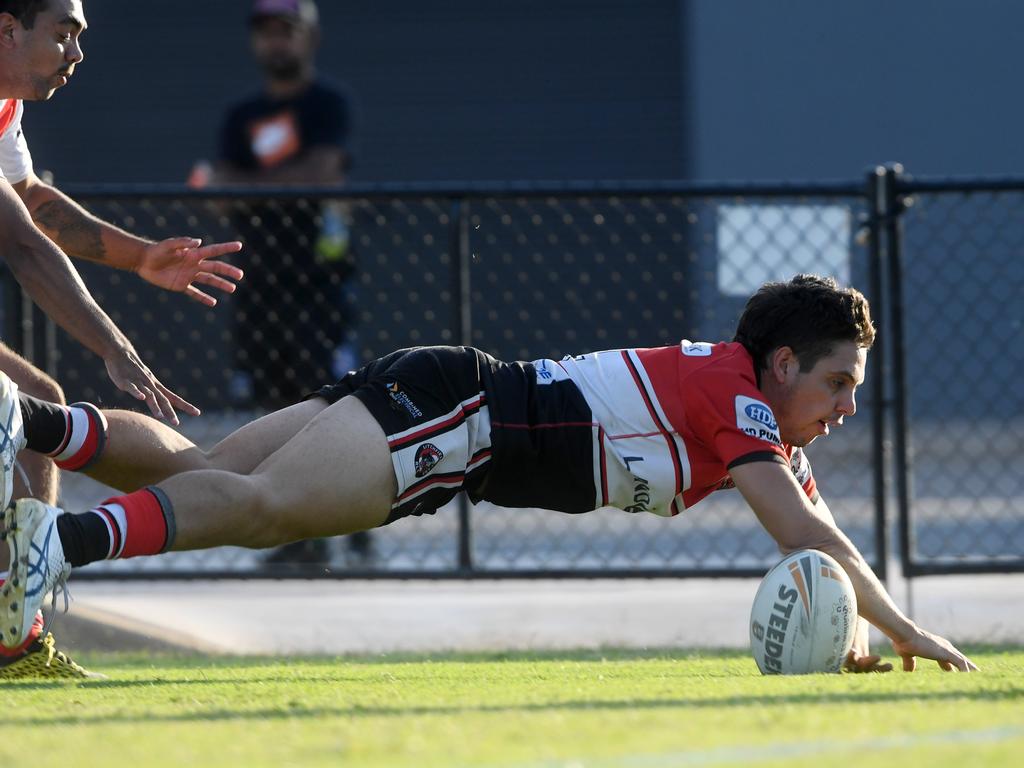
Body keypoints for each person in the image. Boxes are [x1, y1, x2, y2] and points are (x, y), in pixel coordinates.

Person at [0, 275, 977, 672]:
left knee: (209, 467)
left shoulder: (750, 414)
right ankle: (60, 537)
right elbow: (808, 540)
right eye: (838, 381)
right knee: (259, 512)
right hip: (463, 423)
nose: (846, 403)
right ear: (777, 365)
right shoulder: (743, 406)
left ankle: (25, 418)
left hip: (452, 394)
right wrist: (907, 626)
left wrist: (852, 632)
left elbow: (821, 549)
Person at [0, 0, 243, 677]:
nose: (76, 55)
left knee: (30, 401)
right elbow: (21, 242)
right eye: (64, 34)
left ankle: (15, 631)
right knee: (25, 404)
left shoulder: (4, 111)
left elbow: (33, 203)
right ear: (7, 29)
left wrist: (140, 257)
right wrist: (114, 346)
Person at [200, 0, 367, 567]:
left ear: (310, 38)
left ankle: (351, 518)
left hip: (317, 284)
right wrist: (262, 186)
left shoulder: (327, 104)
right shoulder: (239, 114)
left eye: (287, 32)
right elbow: (218, 194)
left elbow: (322, 176)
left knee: (327, 402)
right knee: (271, 406)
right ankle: (293, 531)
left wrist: (248, 186)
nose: (276, 43)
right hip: (257, 283)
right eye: (267, 33)